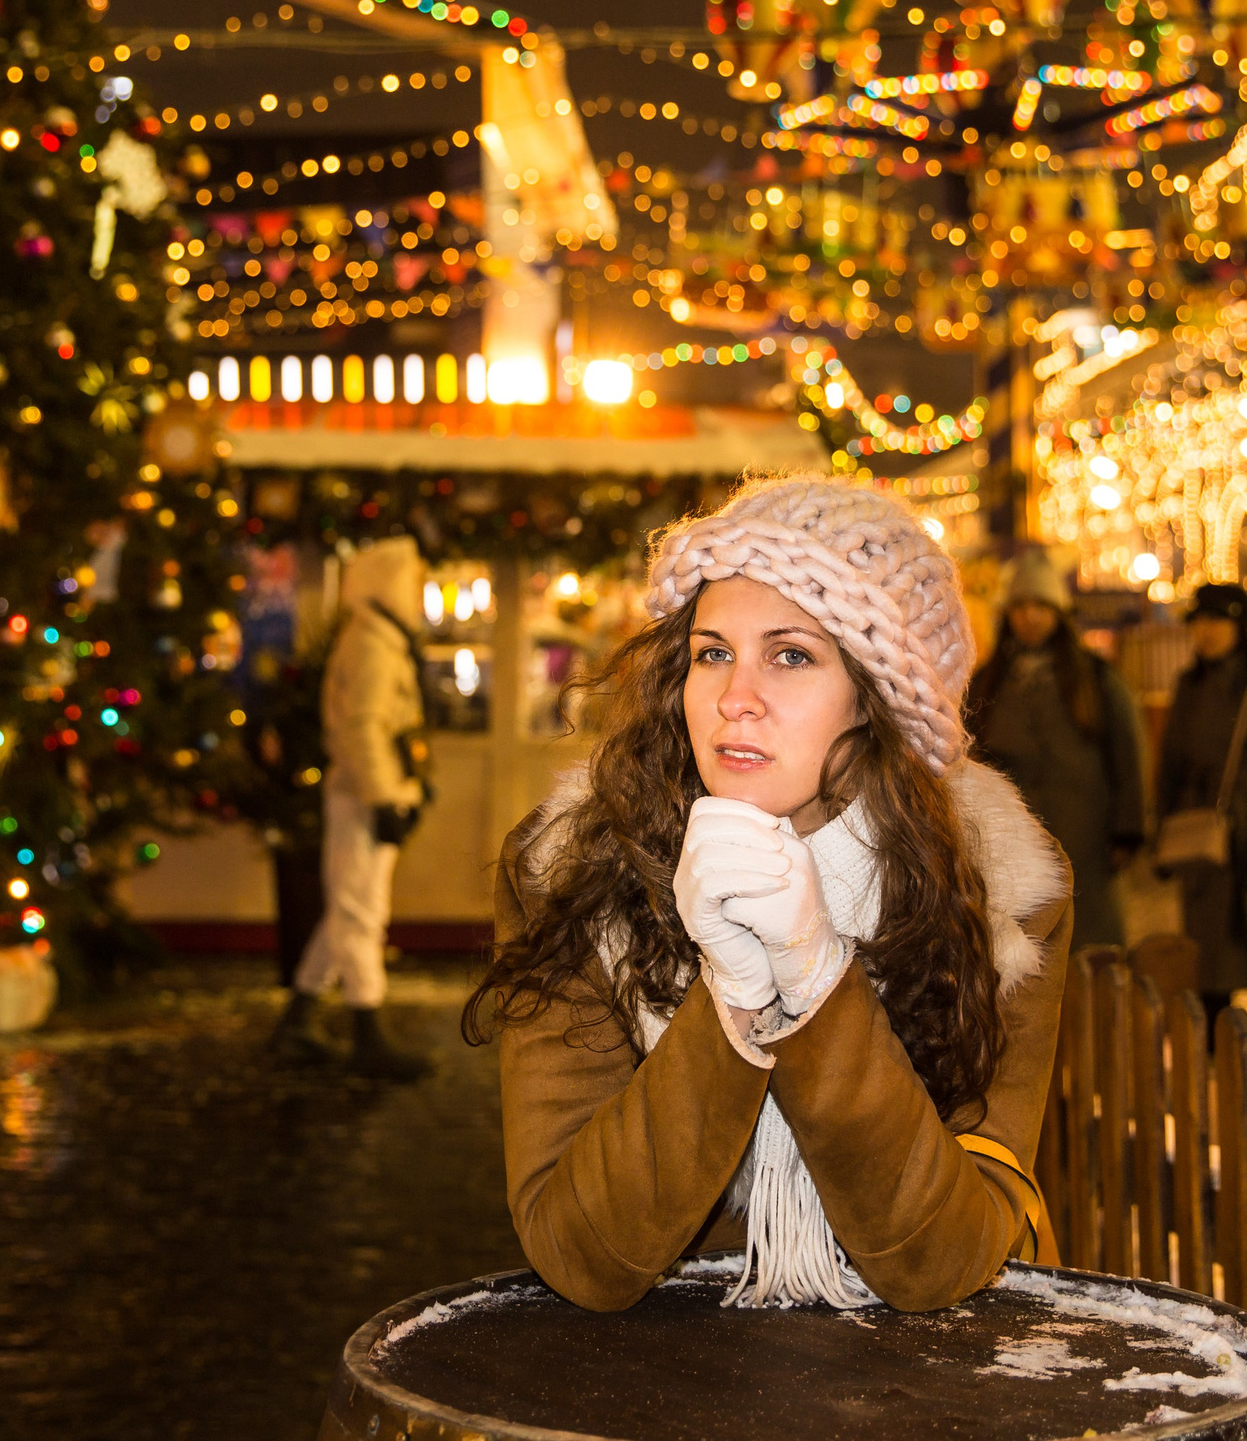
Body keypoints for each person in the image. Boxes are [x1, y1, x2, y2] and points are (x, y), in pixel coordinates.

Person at [465, 476, 1071, 1313]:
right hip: (662, 1383)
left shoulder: (1000, 892)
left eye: (791, 655)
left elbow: (942, 1259)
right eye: (712, 651)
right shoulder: (572, 872)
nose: (733, 697)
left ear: (880, 698)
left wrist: (818, 980)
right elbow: (580, 1252)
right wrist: (734, 999)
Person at [277, 534, 435, 1081]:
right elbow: (362, 729)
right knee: (361, 911)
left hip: (370, 792)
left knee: (349, 906)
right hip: (364, 796)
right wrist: (385, 796)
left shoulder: (380, 639)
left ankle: (297, 1017)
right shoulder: (371, 643)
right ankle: (367, 1031)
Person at [964, 550, 1149, 950]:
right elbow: (969, 756)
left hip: (1086, 831)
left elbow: (1127, 752)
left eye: (1041, 606)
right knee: (1022, 946)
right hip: (1013, 835)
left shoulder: (1095, 678)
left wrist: (1128, 829)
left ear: (1059, 613)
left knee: (1089, 938)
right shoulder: (988, 682)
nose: (1030, 616)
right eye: (1020, 606)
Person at [1155, 583, 1247, 1001]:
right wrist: (1163, 835)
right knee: (1209, 971)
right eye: (1199, 622)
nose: (1205, 631)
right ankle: (1210, 1061)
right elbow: (1169, 763)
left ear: (1240, 626)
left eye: (1217, 621)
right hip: (1203, 842)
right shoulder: (1189, 684)